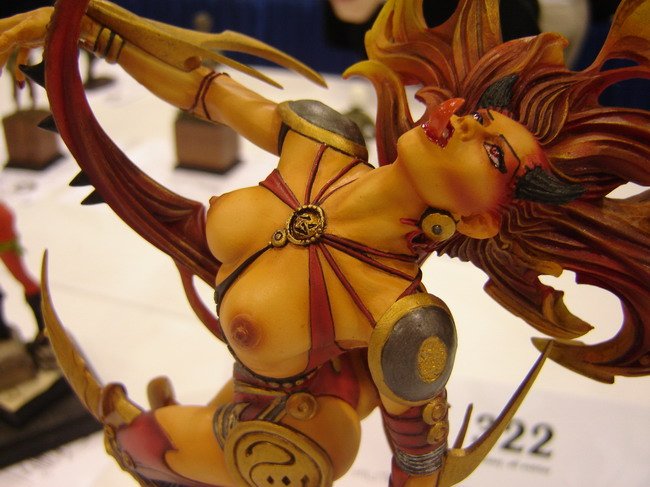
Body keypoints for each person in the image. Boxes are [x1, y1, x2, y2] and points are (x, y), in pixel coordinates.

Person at [1, 1, 648, 486]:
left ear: (479, 222)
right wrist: (88, 36)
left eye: (493, 152)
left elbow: (417, 465)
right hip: (246, 386)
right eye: (479, 115)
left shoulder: (405, 319)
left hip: (287, 443)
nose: (463, 123)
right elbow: (206, 90)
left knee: (137, 440)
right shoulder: (322, 138)